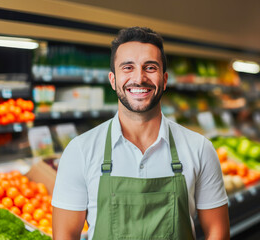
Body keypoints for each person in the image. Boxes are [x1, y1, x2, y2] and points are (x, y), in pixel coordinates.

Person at [51, 26, 230, 240]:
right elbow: (65, 235)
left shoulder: (199, 148)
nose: (139, 78)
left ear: (164, 80)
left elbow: (217, 232)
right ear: (113, 79)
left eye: (150, 67)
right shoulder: (80, 150)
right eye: (128, 67)